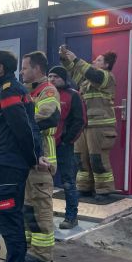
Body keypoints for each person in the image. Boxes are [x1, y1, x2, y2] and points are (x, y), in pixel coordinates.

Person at [0, 51, 43, 262]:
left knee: (9, 217)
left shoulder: (9, 91)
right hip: (7, 161)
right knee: (8, 215)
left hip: (9, 164)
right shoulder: (8, 89)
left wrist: (30, 159)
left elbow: (23, 129)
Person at [60, 46, 118, 201]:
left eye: (98, 60)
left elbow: (90, 72)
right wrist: (66, 58)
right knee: (81, 158)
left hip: (101, 126)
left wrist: (76, 60)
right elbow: (75, 73)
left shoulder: (106, 77)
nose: (94, 61)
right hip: (85, 126)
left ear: (106, 65)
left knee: (97, 159)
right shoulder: (87, 81)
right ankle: (84, 188)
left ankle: (104, 191)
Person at [20, 51, 60, 262]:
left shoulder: (48, 91)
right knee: (28, 206)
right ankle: (31, 247)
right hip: (30, 160)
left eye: (25, 67)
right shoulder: (29, 91)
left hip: (42, 161)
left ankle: (42, 253)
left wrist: (18, 123)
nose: (21, 71)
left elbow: (48, 117)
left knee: (40, 205)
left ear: (36, 69)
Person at [48, 65, 86, 229]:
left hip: (63, 146)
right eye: (50, 76)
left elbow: (80, 121)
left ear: (64, 78)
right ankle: (45, 216)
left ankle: (71, 217)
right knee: (43, 182)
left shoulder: (73, 95)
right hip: (47, 145)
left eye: (56, 76)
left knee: (68, 182)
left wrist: (66, 140)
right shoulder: (47, 94)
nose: (52, 79)